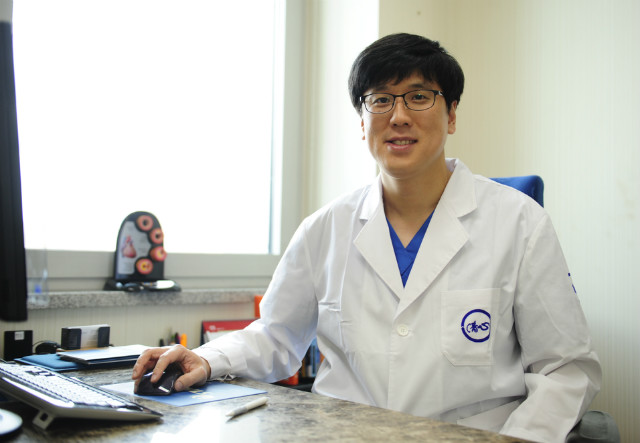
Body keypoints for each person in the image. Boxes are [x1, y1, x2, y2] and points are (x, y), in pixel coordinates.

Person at [132, 33, 601, 442]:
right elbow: (276, 337)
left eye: (419, 97)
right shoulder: (324, 228)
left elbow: (565, 369)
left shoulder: (520, 223)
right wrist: (206, 359)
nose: (399, 116)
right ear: (362, 121)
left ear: (452, 114)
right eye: (380, 100)